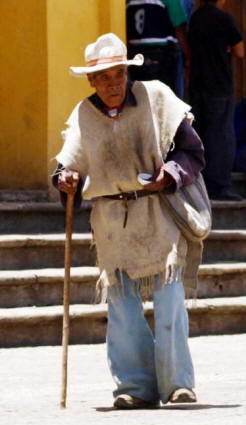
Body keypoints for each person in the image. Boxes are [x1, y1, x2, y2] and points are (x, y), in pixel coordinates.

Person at [52, 33, 205, 409]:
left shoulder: (157, 99)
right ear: (91, 80)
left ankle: (177, 385)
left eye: (118, 74)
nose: (112, 84)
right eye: (102, 77)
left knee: (169, 301)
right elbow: (65, 167)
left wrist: (168, 174)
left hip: (157, 214)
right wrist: (65, 180)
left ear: (127, 72)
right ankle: (134, 388)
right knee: (122, 309)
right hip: (111, 223)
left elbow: (191, 151)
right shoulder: (83, 114)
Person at [188, 0, 245, 201]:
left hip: (197, 85)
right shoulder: (224, 19)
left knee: (201, 135)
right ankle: (219, 187)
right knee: (222, 136)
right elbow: (240, 51)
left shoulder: (195, 19)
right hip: (220, 85)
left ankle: (201, 184)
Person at [126, 0, 190, 97]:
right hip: (162, 57)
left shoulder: (127, 1)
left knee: (139, 98)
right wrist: (189, 56)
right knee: (166, 100)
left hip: (135, 57)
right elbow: (179, 28)